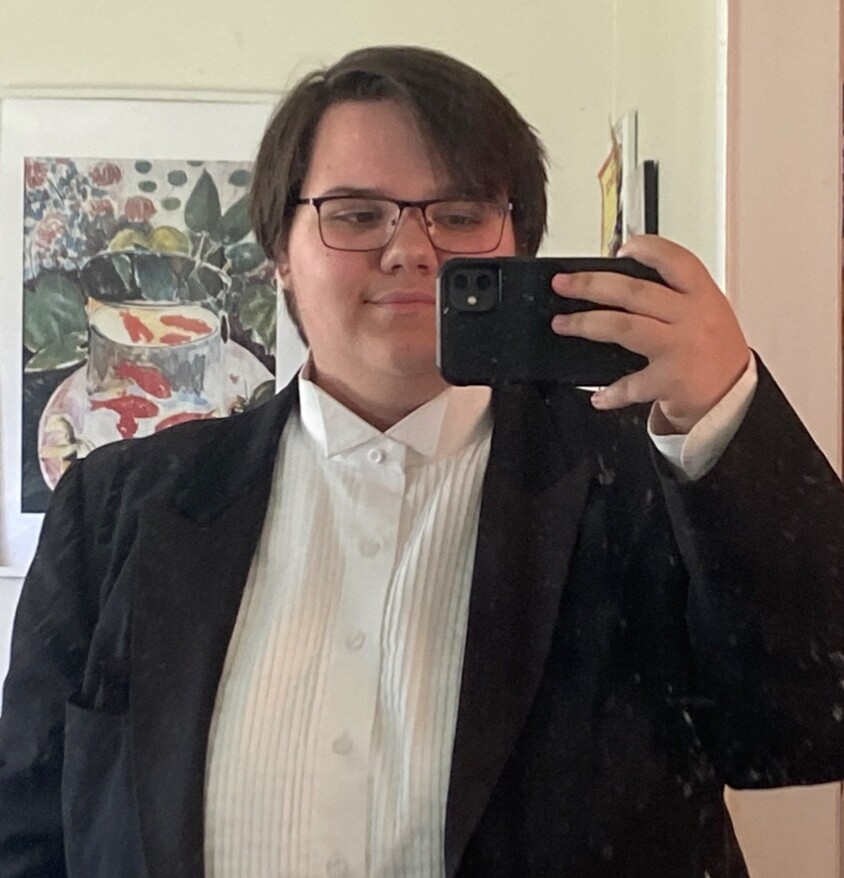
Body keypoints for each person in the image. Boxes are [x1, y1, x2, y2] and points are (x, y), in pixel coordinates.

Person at [0, 45, 842, 878]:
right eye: (356, 214)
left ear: (520, 245)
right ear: (281, 254)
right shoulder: (115, 510)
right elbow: (29, 832)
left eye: (461, 213)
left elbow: (810, 729)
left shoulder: (646, 483)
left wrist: (729, 407)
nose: (410, 249)